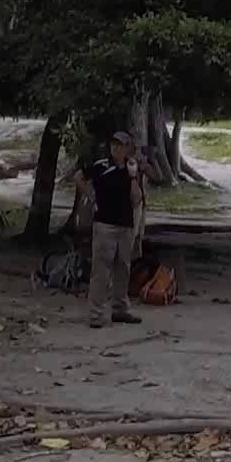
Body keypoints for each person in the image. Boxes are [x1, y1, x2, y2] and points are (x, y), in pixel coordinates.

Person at [76, 132, 144, 328]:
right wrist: (90, 194)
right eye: (114, 144)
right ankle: (96, 314)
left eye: (121, 145)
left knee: (123, 267)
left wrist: (132, 177)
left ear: (128, 148)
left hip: (126, 225)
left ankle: (120, 309)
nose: (116, 148)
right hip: (105, 224)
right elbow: (79, 176)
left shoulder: (131, 169)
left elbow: (136, 199)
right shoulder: (101, 166)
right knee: (101, 270)